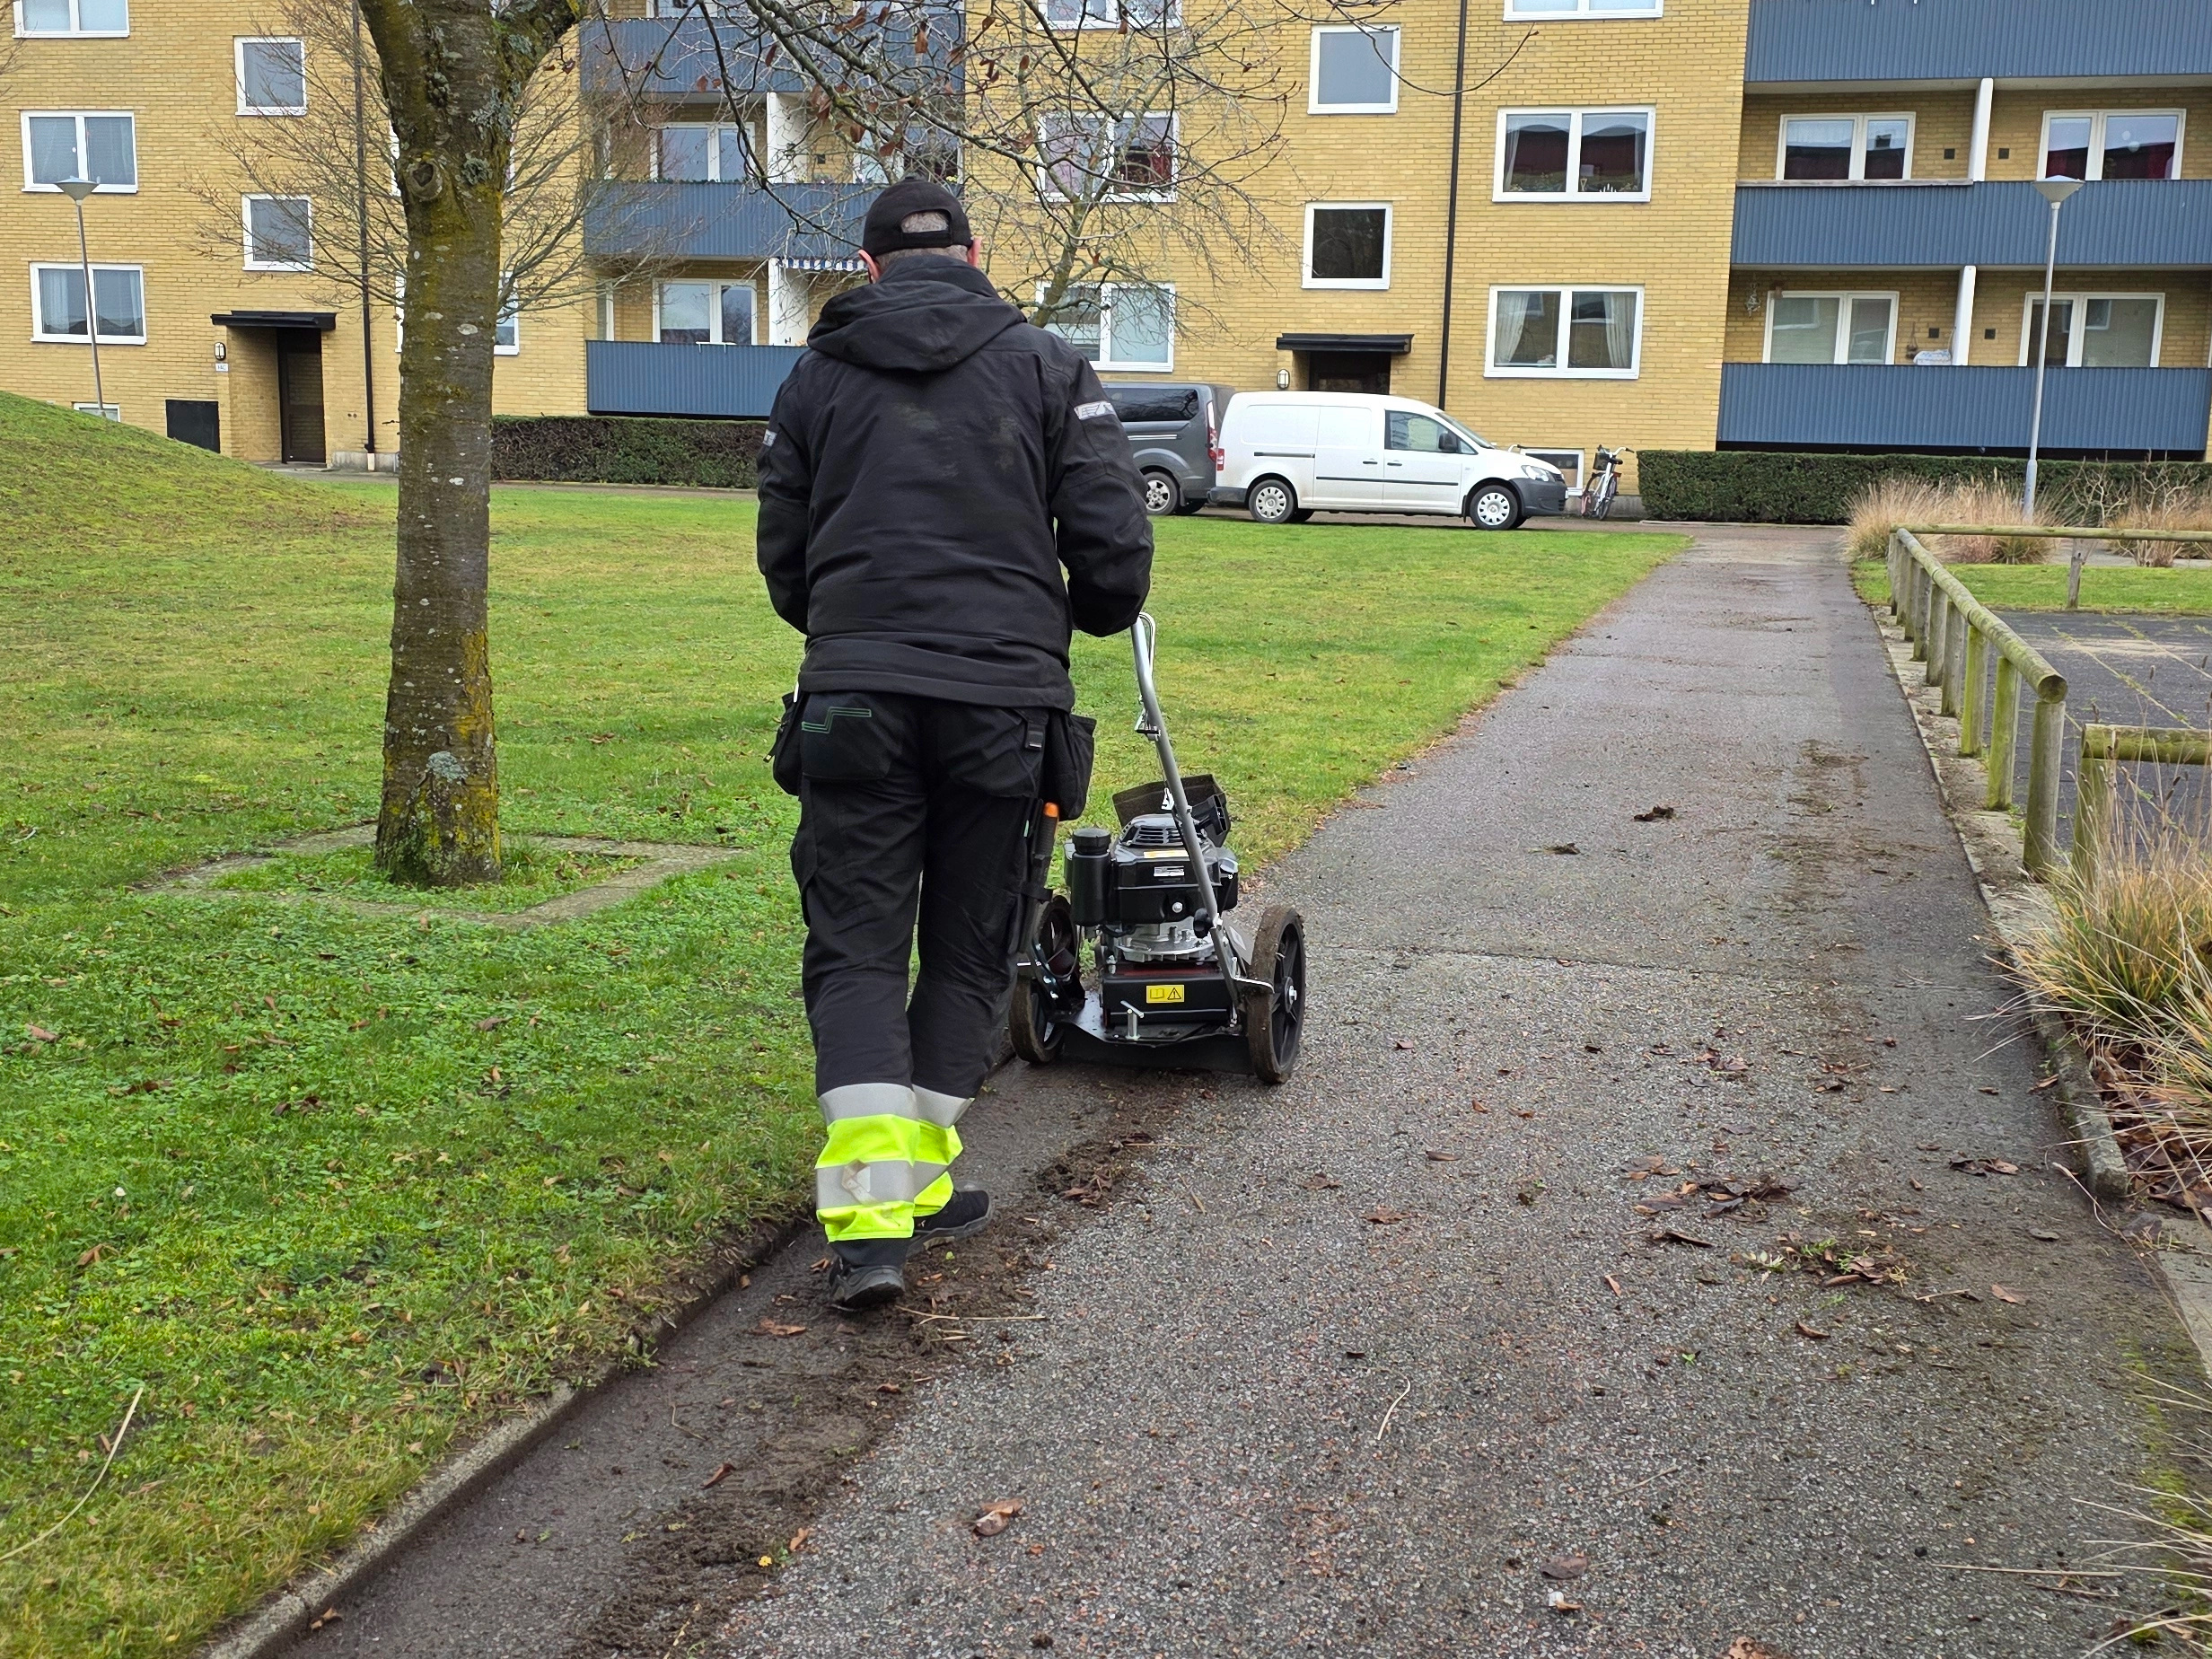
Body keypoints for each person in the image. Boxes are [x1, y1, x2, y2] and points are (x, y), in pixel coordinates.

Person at [757, 177, 1154, 1312]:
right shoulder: (1044, 365)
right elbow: (1112, 534)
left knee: (859, 950)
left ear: (868, 267)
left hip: (855, 701)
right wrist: (1085, 610)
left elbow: (782, 546)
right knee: (974, 946)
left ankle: (886, 1212)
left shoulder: (816, 374)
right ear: (977, 256)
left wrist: (850, 628)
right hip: (1001, 704)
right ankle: (901, 1192)